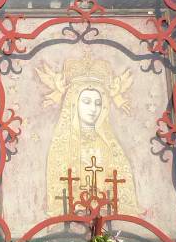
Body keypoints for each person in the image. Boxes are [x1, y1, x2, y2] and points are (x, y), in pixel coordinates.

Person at [46, 55, 142, 217]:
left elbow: (120, 187)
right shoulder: (62, 145)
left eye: (98, 103)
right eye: (86, 102)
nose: (93, 109)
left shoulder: (109, 145)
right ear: (74, 103)